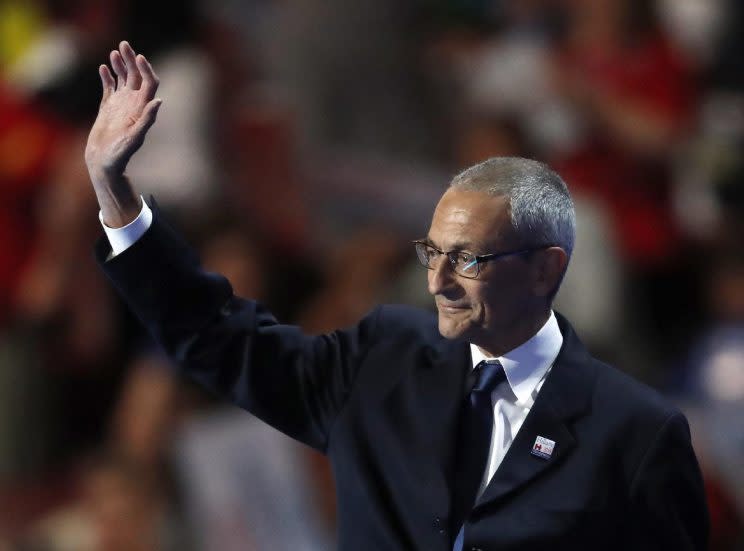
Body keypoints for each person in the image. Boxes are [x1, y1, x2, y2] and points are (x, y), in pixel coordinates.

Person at [85, 41, 709, 550]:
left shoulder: (636, 434)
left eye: (468, 259)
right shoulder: (380, 362)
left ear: (545, 270)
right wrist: (114, 194)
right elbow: (218, 338)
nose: (439, 281)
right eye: (432, 254)